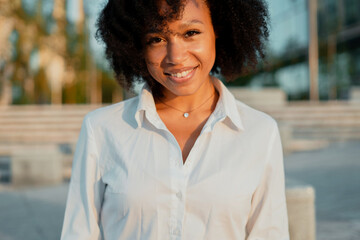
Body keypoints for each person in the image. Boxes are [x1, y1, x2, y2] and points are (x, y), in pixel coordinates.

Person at [61, 0, 289, 239]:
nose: (176, 56)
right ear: (137, 44)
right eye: (156, 39)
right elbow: (79, 232)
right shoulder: (102, 129)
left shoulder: (259, 132)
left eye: (191, 33)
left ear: (218, 30)